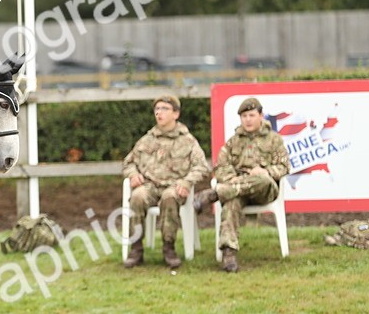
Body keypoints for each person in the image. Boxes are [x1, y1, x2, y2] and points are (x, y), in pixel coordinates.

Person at [193, 97, 288, 272]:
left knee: (262, 179)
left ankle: (214, 194)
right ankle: (229, 255)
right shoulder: (233, 142)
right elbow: (220, 167)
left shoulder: (274, 140)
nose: (248, 120)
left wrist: (265, 171)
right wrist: (234, 181)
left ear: (261, 116)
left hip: (264, 190)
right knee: (231, 203)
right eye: (244, 116)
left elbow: (284, 167)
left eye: (251, 115)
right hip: (237, 192)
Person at [121, 94, 210, 269]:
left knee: (170, 198)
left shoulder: (187, 141)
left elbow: (202, 167)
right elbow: (128, 162)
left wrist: (186, 182)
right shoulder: (147, 139)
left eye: (164, 109)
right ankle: (136, 249)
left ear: (175, 114)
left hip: (174, 186)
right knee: (137, 197)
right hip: (150, 186)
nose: (159, 113)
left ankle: (169, 248)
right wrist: (132, 174)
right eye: (157, 110)